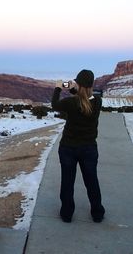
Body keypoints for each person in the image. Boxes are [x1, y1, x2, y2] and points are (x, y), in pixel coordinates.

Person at [52, 69, 105, 223]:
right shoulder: (97, 101)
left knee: (67, 182)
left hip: (68, 148)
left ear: (79, 84)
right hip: (89, 148)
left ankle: (67, 214)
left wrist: (58, 88)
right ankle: (97, 213)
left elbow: (55, 105)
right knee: (92, 181)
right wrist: (74, 89)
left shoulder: (71, 103)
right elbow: (86, 97)